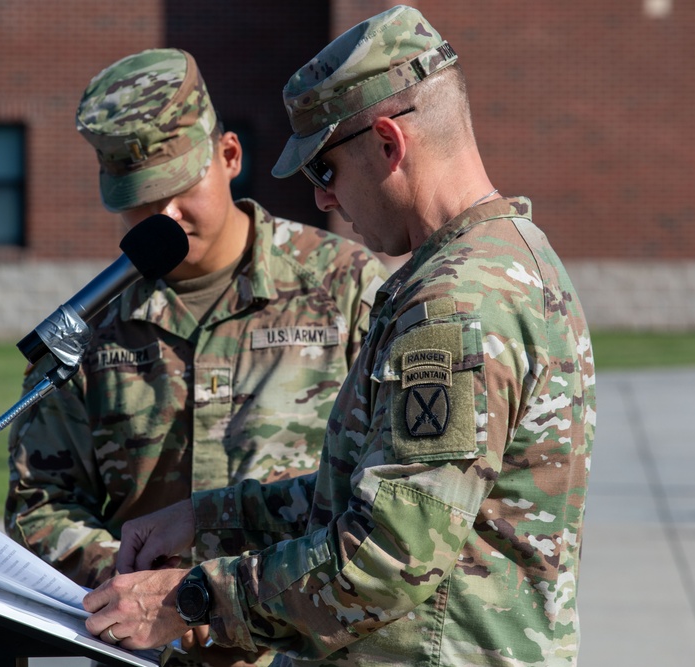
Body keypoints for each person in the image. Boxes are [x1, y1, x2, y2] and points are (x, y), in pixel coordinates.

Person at [79, 5, 597, 667]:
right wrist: (207, 519)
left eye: (325, 170)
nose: (323, 200)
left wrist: (188, 599)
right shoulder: (511, 253)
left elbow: (385, 558)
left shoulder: (452, 306)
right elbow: (369, 489)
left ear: (389, 143)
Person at [4, 47, 388, 665]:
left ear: (229, 157)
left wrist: (212, 596)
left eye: (180, 192)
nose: (167, 219)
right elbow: (40, 505)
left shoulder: (346, 287)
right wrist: (135, 588)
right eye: (142, 202)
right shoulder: (89, 330)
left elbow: (379, 493)